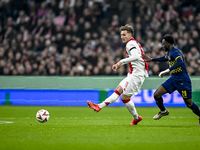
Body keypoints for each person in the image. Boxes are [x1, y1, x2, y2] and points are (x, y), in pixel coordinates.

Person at [87, 24, 149, 125]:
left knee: (124, 98)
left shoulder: (130, 44)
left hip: (137, 75)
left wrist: (121, 62)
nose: (122, 37)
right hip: (134, 73)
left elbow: (136, 56)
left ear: (130, 35)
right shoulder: (133, 43)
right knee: (118, 90)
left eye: (124, 34)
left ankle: (136, 118)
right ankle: (99, 106)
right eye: (121, 35)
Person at [143, 35, 200, 126]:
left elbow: (180, 62)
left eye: (163, 44)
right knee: (156, 94)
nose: (162, 46)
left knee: (189, 104)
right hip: (173, 79)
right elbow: (164, 58)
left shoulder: (176, 52)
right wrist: (151, 59)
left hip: (183, 81)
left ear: (168, 44)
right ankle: (163, 111)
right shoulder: (170, 52)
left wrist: (167, 70)